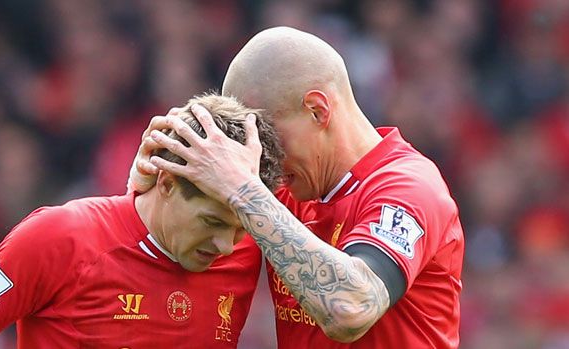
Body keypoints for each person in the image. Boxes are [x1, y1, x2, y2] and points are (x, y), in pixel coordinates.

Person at [130, 26, 465, 348]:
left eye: (267, 136)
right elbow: (178, 249)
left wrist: (243, 189)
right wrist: (147, 197)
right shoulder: (282, 190)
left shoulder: (409, 187)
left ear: (317, 110)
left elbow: (350, 308)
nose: (260, 155)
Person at [0, 93, 284, 349]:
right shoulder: (59, 237)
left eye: (241, 227)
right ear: (166, 183)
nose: (226, 245)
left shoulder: (249, 248)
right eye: (211, 222)